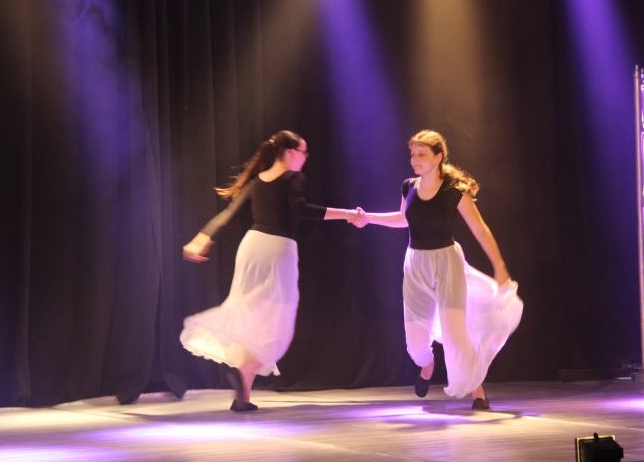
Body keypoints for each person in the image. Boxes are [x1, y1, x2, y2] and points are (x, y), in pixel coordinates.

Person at [181, 130, 360, 411]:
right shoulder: (293, 178)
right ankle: (242, 372)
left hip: (252, 248)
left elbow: (228, 214)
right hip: (278, 250)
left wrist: (203, 236)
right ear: (290, 152)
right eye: (303, 152)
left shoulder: (256, 181)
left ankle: (243, 398)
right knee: (278, 325)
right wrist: (346, 214)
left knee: (251, 313)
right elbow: (301, 209)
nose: (305, 158)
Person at [352, 130, 523, 410]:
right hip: (416, 264)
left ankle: (477, 391)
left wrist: (500, 266)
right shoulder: (408, 186)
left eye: (421, 154)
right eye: (413, 154)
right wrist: (368, 218)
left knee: (457, 334)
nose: (415, 159)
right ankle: (427, 365)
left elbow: (480, 230)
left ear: (438, 157)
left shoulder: (454, 191)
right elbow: (403, 219)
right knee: (415, 346)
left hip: (447, 263)